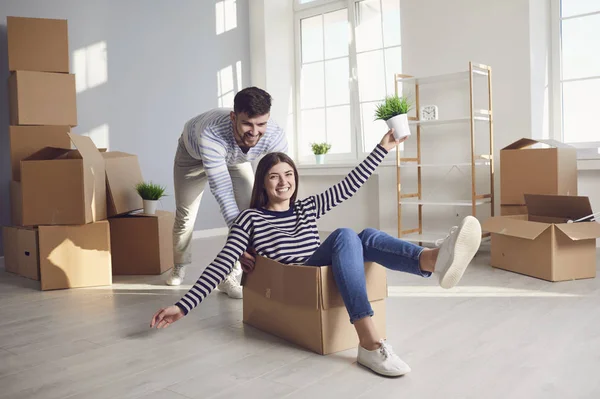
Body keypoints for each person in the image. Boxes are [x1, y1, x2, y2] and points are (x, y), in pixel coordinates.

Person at [151, 128, 482, 377]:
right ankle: (369, 343)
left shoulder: (305, 208)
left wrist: (382, 148)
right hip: (299, 276)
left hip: (320, 268)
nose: (283, 183)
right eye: (274, 177)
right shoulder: (250, 219)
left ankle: (433, 260)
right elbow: (222, 262)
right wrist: (182, 306)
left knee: (364, 235)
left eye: (289, 175)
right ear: (263, 184)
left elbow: (349, 185)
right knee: (345, 236)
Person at [166, 87, 288, 300]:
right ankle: (179, 264)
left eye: (261, 124)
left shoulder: (275, 136)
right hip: (191, 157)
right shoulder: (211, 134)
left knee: (251, 209)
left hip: (235, 159)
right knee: (186, 214)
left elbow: (285, 182)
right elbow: (223, 192)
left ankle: (229, 275)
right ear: (233, 117)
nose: (254, 131)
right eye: (247, 124)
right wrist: (240, 246)